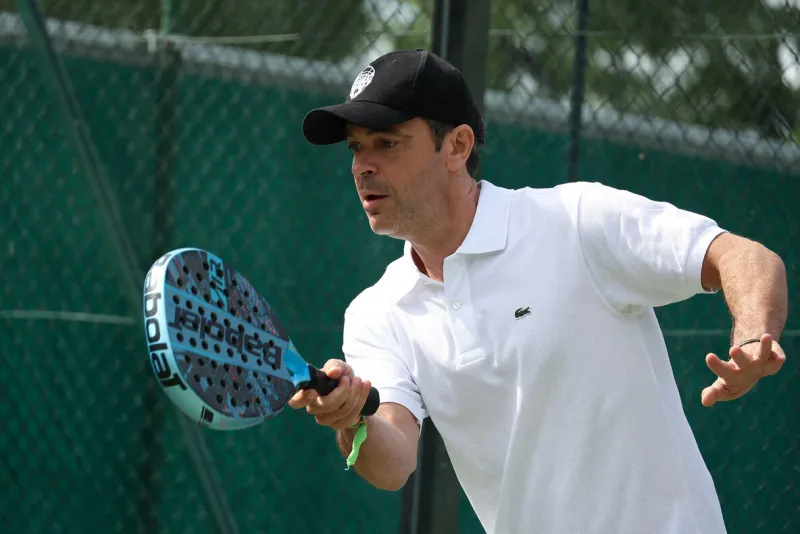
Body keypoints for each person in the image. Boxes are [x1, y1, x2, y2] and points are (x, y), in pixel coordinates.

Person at [289, 49, 788, 534]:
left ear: (457, 147)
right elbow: (392, 460)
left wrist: (751, 337)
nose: (362, 166)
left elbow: (744, 257)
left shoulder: (576, 221)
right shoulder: (376, 313)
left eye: (387, 143)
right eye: (356, 148)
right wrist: (351, 419)